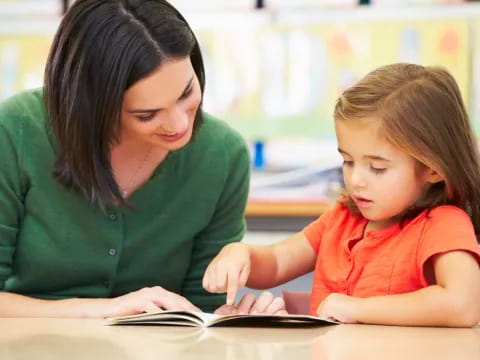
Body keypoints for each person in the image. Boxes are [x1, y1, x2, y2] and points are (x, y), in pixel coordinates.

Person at [0, 0, 285, 317]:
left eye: (186, 93)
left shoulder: (222, 154)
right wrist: (103, 310)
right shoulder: (15, 131)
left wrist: (228, 318)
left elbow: (200, 306)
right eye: (147, 114)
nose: (179, 124)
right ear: (92, 107)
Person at [203, 63, 480, 327]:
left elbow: (463, 304)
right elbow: (278, 262)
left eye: (377, 168)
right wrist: (239, 254)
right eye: (348, 161)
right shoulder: (343, 217)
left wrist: (357, 308)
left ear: (432, 170)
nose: (356, 179)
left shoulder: (443, 224)